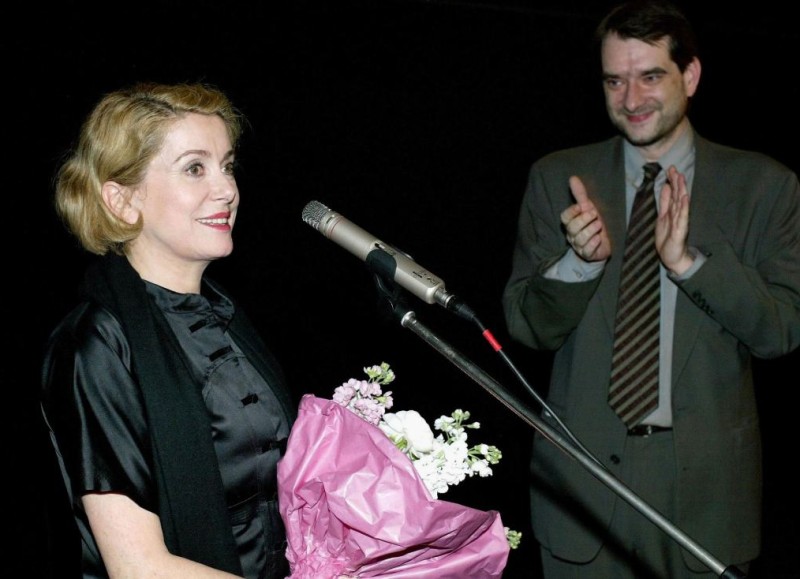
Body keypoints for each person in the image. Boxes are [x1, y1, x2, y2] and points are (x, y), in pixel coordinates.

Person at [502, 1, 800, 578]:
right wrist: (579, 265)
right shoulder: (558, 178)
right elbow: (526, 328)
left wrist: (691, 264)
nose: (631, 98)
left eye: (650, 76)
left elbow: (781, 331)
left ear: (690, 75)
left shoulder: (764, 186)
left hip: (708, 494)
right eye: (615, 80)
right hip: (581, 488)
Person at [41, 82, 296, 578]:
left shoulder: (230, 323)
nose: (226, 189)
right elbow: (138, 568)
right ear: (121, 200)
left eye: (227, 165)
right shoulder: (96, 344)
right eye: (195, 168)